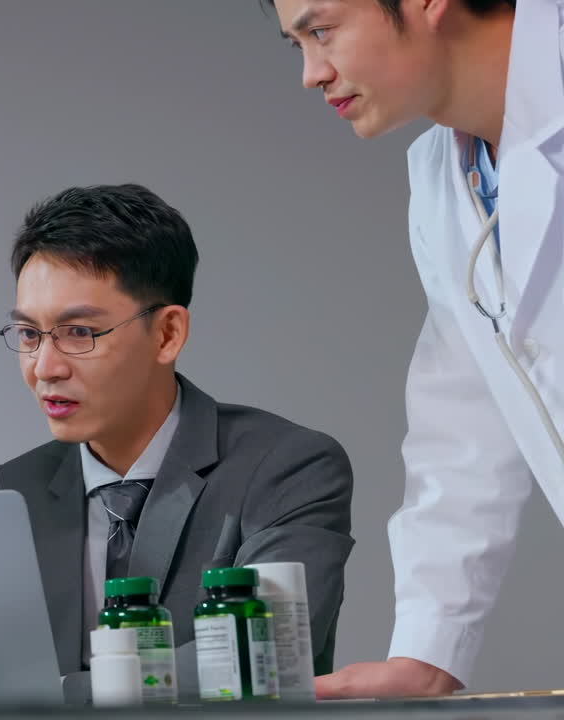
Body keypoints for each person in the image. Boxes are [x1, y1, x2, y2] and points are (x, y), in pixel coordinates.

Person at [269, 0, 563, 699]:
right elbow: (466, 426)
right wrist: (429, 651)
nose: (311, 73)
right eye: (296, 45)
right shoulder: (442, 175)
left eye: (322, 29)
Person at [0, 183, 355, 677]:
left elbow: (259, 654)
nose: (45, 367)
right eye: (30, 334)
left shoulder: (287, 466)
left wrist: (52, 698)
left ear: (167, 334)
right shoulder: (15, 489)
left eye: (79, 333)